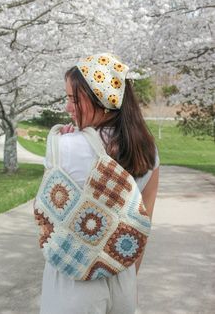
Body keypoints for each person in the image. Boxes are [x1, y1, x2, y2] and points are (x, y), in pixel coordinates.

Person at [38, 53, 159, 314]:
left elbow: (45, 215)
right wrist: (125, 274)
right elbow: (142, 226)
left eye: (74, 99)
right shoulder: (148, 151)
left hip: (72, 280)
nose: (67, 107)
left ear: (101, 101)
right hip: (122, 274)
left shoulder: (65, 145)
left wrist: (67, 139)